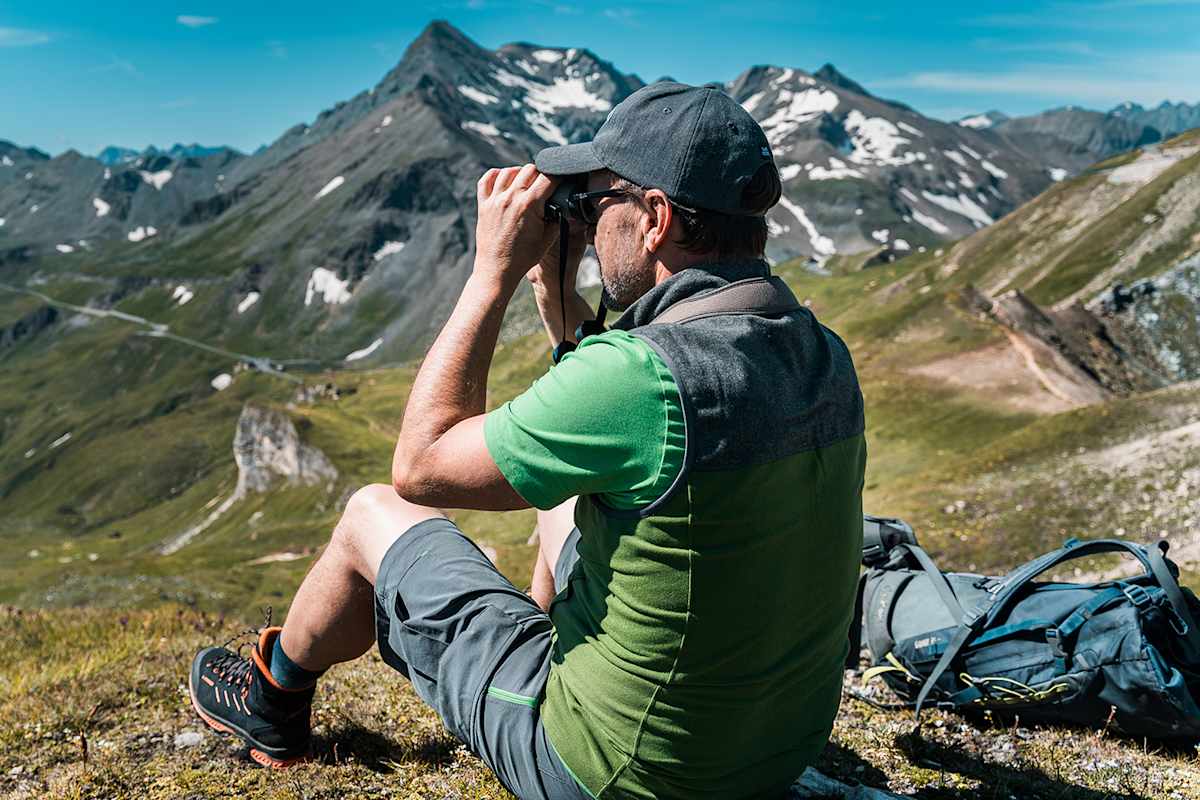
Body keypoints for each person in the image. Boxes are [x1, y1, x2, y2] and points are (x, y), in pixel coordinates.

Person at [189, 81, 866, 799]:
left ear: (656, 218)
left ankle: (273, 700)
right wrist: (557, 301)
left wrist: (493, 274)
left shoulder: (638, 379)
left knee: (370, 514)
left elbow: (421, 465)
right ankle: (542, 638)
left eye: (600, 202)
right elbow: (617, 434)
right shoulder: (822, 353)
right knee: (559, 505)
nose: (589, 221)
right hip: (771, 753)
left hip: (618, 771)